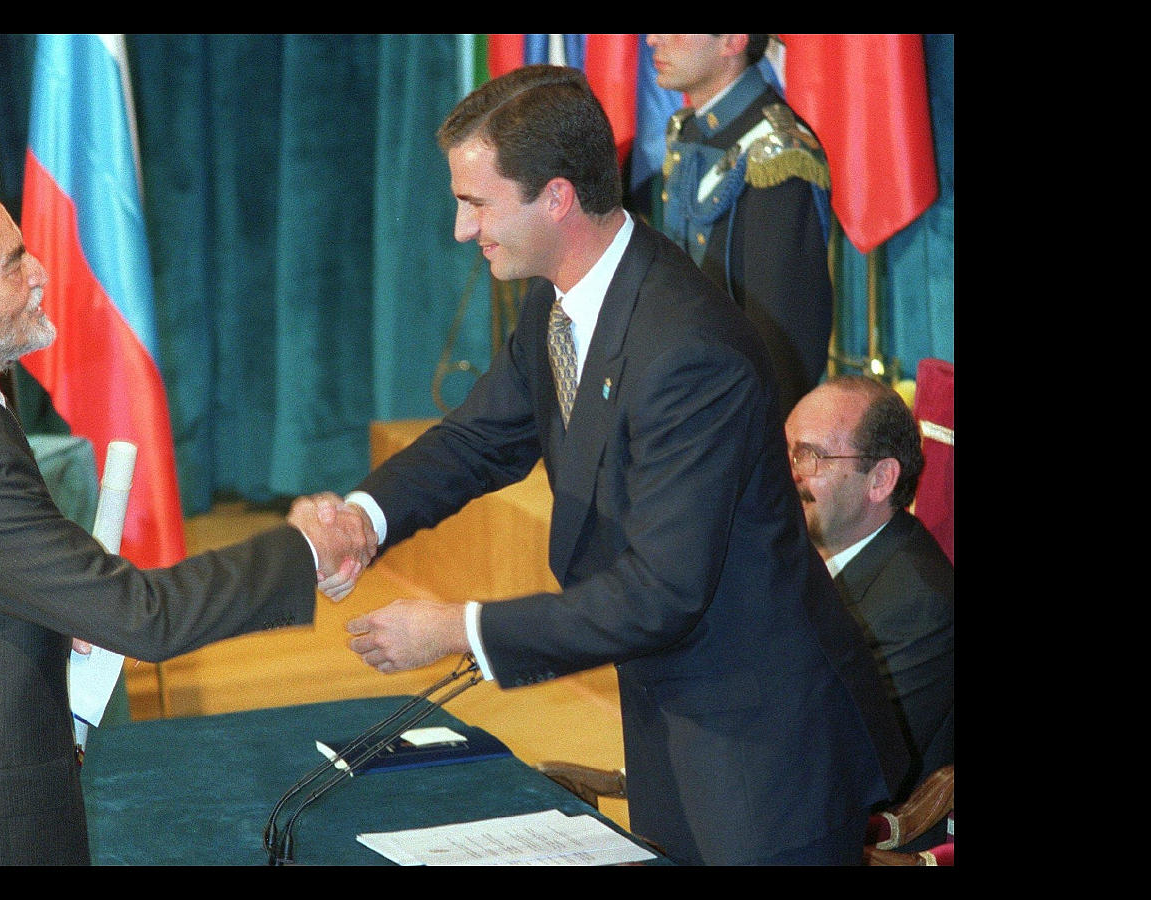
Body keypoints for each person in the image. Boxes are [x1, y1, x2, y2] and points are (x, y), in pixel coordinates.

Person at [339, 65, 907, 865]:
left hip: (761, 746)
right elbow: (479, 439)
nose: (462, 229)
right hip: (671, 710)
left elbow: (662, 594)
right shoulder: (559, 297)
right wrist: (362, 519)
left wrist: (454, 628)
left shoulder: (690, 351)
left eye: (476, 203)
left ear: (558, 198)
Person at [0, 174, 375, 866]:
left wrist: (37, 607)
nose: (39, 273)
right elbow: (142, 616)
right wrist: (303, 548)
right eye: (11, 262)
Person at [785, 375, 954, 800]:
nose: (788, 476)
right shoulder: (793, 553)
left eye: (809, 458)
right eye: (783, 454)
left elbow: (848, 759)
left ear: (879, 480)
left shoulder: (920, 604)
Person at [649, 33, 833, 420]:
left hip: (737, 417)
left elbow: (784, 338)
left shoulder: (775, 149)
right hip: (685, 397)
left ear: (732, 41)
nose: (653, 40)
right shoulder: (687, 130)